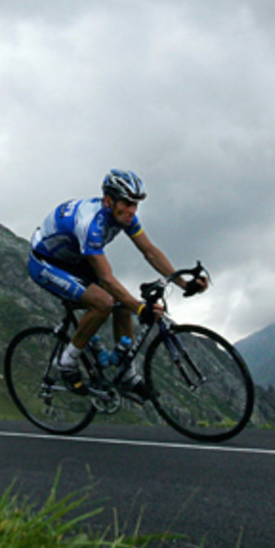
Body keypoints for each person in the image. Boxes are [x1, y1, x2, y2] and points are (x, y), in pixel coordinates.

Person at [27, 169, 207, 398]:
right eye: (127, 203)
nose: (132, 211)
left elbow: (150, 252)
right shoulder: (90, 223)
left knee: (123, 304)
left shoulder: (125, 217)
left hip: (73, 258)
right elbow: (106, 279)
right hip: (46, 262)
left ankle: (126, 374)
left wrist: (184, 284)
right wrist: (141, 309)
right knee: (104, 302)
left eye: (135, 205)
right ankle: (68, 362)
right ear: (109, 201)